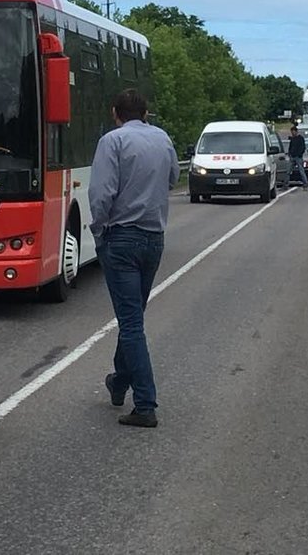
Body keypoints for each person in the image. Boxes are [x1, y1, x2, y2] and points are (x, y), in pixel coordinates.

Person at [89, 89, 180, 428]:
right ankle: (119, 382)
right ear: (146, 113)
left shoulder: (112, 142)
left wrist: (99, 230)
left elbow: (101, 193)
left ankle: (145, 404)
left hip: (122, 238)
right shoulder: (162, 139)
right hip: (154, 238)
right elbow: (173, 178)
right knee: (133, 317)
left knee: (130, 324)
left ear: (116, 113)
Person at [287, 125, 308, 191]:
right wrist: (290, 153)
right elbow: (290, 147)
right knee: (288, 171)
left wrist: (299, 154)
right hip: (292, 157)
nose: (292, 133)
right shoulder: (292, 139)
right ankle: (285, 185)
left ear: (296, 131)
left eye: (293, 132)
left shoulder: (300, 138)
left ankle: (305, 184)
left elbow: (303, 147)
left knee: (301, 171)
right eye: (291, 132)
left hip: (298, 157)